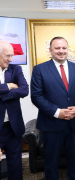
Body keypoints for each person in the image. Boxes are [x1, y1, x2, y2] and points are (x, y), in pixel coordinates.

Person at [30, 36, 75, 180]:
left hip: (74, 123)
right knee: (51, 161)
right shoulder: (40, 69)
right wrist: (57, 112)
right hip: (51, 124)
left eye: (64, 48)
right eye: (57, 48)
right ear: (50, 50)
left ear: (68, 49)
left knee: (74, 159)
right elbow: (36, 96)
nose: (61, 51)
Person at [0, 40, 29, 179]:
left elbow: (24, 90)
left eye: (12, 55)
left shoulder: (16, 69)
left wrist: (2, 95)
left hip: (13, 127)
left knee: (15, 166)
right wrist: (8, 86)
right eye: (7, 56)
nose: (10, 59)